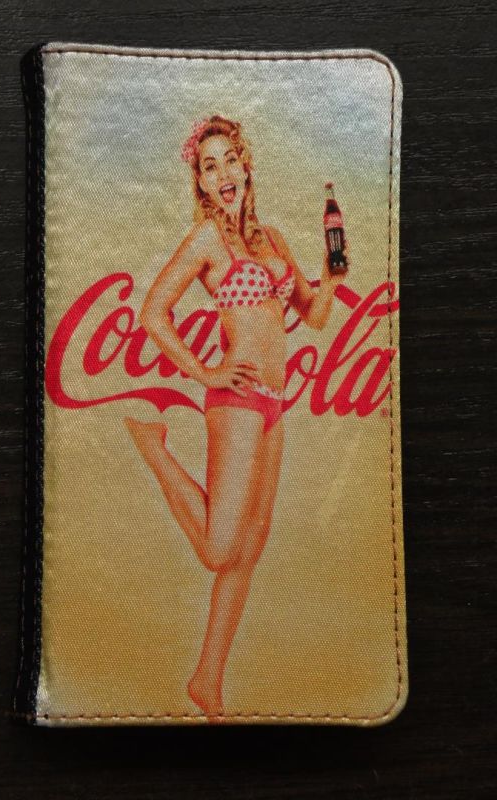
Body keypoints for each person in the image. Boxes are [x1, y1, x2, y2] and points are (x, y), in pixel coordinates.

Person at [123, 115, 348, 719]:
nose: (222, 173)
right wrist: (205, 373)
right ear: (200, 182)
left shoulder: (271, 238)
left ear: (246, 167)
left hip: (274, 404)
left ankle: (207, 678)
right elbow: (153, 312)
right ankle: (155, 450)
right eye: (209, 165)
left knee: (247, 552)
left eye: (230, 160)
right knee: (220, 550)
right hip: (237, 399)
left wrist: (330, 278)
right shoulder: (206, 241)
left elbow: (314, 315)